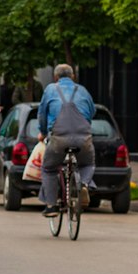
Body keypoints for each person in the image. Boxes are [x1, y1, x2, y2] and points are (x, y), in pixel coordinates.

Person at [38, 64, 96, 216]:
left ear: (55, 77)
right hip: (83, 138)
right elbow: (92, 112)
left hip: (59, 139)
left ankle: (51, 206)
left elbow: (42, 114)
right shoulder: (82, 90)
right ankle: (83, 184)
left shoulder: (50, 89)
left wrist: (43, 133)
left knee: (49, 168)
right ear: (73, 76)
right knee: (88, 163)